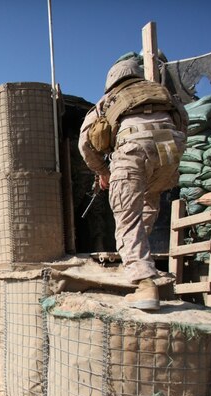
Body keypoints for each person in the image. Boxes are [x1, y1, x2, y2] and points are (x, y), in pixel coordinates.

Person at [78, 59, 188, 311]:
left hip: (132, 143)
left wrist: (104, 171)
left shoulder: (108, 101)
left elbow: (85, 144)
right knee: (150, 198)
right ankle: (140, 259)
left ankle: (144, 283)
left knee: (128, 216)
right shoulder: (161, 93)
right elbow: (183, 121)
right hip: (169, 146)